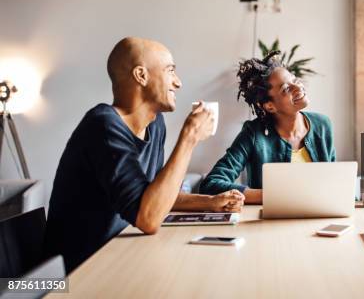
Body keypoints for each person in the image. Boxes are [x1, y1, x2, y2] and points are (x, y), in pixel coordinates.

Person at [45, 37, 244, 273]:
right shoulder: (103, 126)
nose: (178, 83)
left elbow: (153, 196)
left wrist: (211, 203)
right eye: (170, 71)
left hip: (115, 258)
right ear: (141, 75)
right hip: (77, 273)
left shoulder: (155, 123)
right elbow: (148, 219)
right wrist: (189, 137)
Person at [198, 51, 335, 204]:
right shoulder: (253, 134)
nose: (298, 87)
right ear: (270, 106)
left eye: (295, 80)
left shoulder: (323, 125)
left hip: (319, 218)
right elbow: (211, 184)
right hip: (270, 224)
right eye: (286, 89)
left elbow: (333, 183)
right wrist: (271, 196)